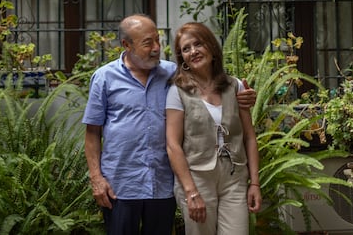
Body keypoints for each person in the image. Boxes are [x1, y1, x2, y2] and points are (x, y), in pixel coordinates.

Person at [82, 14, 257, 235]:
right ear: (126, 45)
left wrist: (246, 97)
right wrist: (96, 178)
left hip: (161, 184)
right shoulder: (104, 78)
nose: (156, 48)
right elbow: (92, 133)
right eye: (148, 43)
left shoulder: (173, 74)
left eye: (158, 40)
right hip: (121, 185)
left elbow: (211, 86)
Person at [166, 22, 262, 235]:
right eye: (186, 49)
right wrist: (191, 192)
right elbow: (173, 145)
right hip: (197, 179)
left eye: (198, 44)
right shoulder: (177, 92)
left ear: (211, 46)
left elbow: (249, 137)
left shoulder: (234, 86)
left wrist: (254, 183)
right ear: (182, 58)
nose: (193, 52)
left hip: (234, 177)